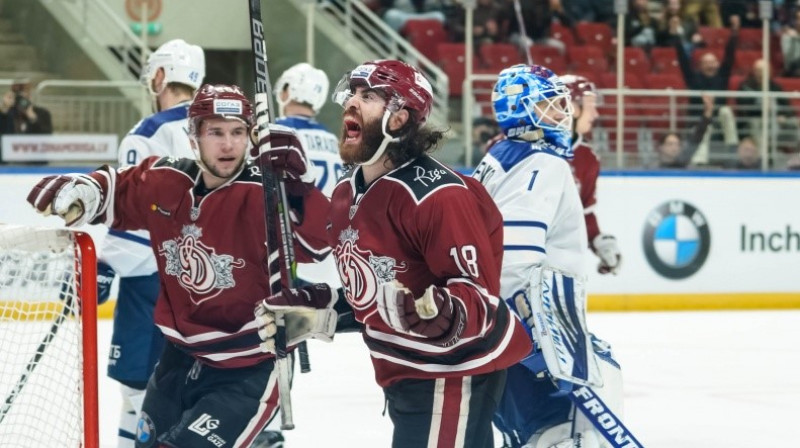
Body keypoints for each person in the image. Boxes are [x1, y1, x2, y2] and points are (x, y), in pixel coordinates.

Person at [27, 83, 332, 448]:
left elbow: (318, 243)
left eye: (238, 132)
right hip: (178, 359)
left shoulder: (266, 192)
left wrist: (302, 186)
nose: (228, 144)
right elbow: (119, 191)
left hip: (249, 366)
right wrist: (84, 189)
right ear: (193, 137)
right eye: (215, 132)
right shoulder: (168, 180)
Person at [255, 59, 532, 448]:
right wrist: (310, 313)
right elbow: (374, 295)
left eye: (367, 96)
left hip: (450, 375)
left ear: (399, 119)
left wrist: (448, 312)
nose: (351, 103)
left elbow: (478, 299)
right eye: (351, 94)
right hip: (407, 375)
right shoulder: (347, 192)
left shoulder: (439, 195)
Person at [471, 64, 624, 448]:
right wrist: (537, 334)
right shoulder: (543, 162)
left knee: (521, 432)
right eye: (550, 105)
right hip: (527, 324)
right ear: (522, 111)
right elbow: (514, 260)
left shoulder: (501, 155)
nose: (564, 113)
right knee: (559, 432)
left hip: (496, 323)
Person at [95, 38, 205, 448]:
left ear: (161, 76)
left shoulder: (148, 133)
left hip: (153, 283)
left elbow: (135, 216)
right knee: (198, 390)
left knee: (140, 391)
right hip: (209, 281)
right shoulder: (220, 131)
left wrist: (105, 266)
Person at [252, 61, 342, 448]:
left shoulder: (277, 134)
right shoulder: (334, 140)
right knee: (286, 332)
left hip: (285, 245)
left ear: (285, 90)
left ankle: (261, 415)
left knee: (267, 330)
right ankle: (271, 411)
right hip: (325, 248)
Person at [560, 74, 621, 275]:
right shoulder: (522, 150)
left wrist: (597, 241)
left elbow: (582, 213)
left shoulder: (588, 157)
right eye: (590, 106)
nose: (595, 114)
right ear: (572, 108)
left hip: (562, 264)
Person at [671, 14, 740, 164]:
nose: (710, 64)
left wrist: (734, 32)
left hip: (719, 115)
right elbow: (683, 60)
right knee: (704, 128)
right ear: (700, 65)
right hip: (700, 118)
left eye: (713, 61)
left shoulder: (722, 76)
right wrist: (676, 35)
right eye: (706, 62)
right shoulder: (693, 78)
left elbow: (729, 56)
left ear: (717, 64)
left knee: (727, 111)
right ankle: (699, 162)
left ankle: (732, 148)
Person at [655, 93, 714, 168]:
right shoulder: (652, 168)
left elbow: (697, 136)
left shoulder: (682, 161)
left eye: (677, 144)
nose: (674, 148)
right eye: (670, 144)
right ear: (661, 147)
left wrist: (708, 111)